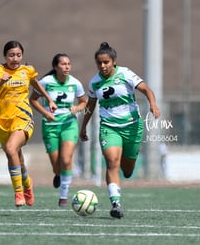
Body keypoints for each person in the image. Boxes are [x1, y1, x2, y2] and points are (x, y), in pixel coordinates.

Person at [80, 42, 161, 219]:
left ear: (113, 61)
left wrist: (153, 105)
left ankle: (127, 166)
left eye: (106, 62)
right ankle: (116, 203)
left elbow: (146, 89)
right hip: (109, 127)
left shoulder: (125, 74)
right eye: (99, 63)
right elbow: (90, 105)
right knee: (111, 162)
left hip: (132, 126)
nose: (102, 66)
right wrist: (83, 126)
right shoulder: (94, 82)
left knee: (127, 170)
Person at [0, 40, 57, 207]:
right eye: (11, 55)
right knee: (16, 157)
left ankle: (18, 193)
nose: (15, 59)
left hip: (23, 118)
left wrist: (49, 99)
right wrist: (0, 82)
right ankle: (27, 184)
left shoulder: (27, 70)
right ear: (5, 56)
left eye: (18, 55)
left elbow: (35, 83)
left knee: (11, 148)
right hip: (2, 121)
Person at [30, 53, 87, 207]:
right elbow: (32, 99)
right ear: (55, 67)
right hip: (50, 126)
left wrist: (77, 108)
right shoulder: (46, 82)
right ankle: (57, 173)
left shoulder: (75, 83)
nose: (67, 66)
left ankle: (63, 197)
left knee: (66, 159)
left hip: (69, 124)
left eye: (69, 63)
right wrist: (46, 113)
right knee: (56, 164)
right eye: (63, 64)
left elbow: (83, 102)